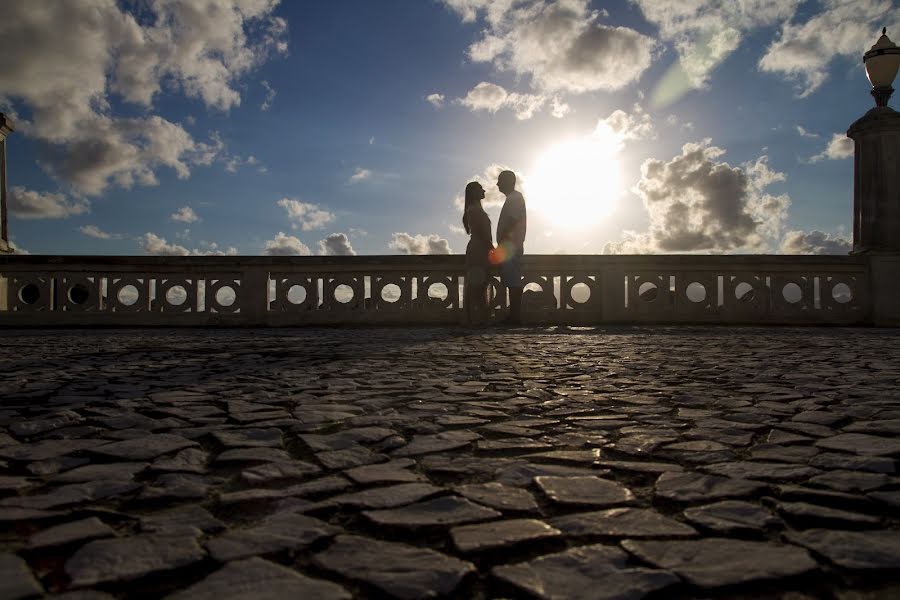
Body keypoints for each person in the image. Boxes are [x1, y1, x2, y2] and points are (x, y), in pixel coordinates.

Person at [495, 170, 526, 325]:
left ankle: (515, 317)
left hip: (510, 246)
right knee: (511, 280)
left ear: (508, 181)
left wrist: (503, 243)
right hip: (510, 245)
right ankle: (513, 316)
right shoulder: (514, 198)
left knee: (513, 281)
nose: (497, 184)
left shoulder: (514, 198)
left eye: (500, 180)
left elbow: (513, 222)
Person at [463, 181, 494, 325]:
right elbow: (483, 234)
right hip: (479, 249)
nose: (484, 191)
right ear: (474, 192)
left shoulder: (473, 209)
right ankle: (477, 318)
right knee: (478, 284)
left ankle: (476, 317)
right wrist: (491, 249)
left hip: (478, 248)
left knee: (479, 284)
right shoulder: (474, 209)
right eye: (481, 189)